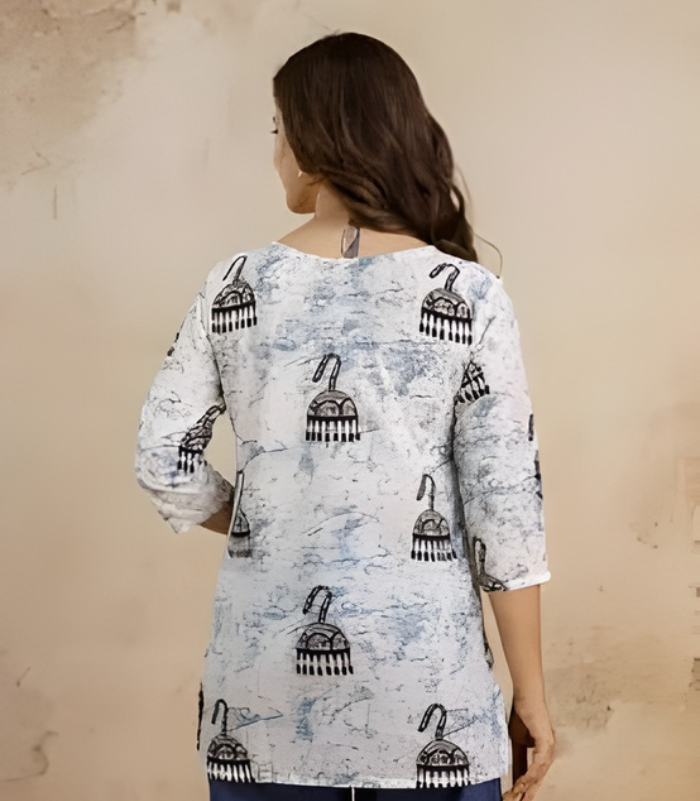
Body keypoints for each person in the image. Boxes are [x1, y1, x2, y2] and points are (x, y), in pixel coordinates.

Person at [135, 32, 555, 801]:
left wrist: (269, 519)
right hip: (427, 696)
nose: (275, 153)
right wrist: (531, 693)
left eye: (277, 130)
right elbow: (506, 515)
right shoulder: (469, 295)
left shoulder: (233, 285)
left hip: (257, 709)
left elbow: (164, 461)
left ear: (311, 143)